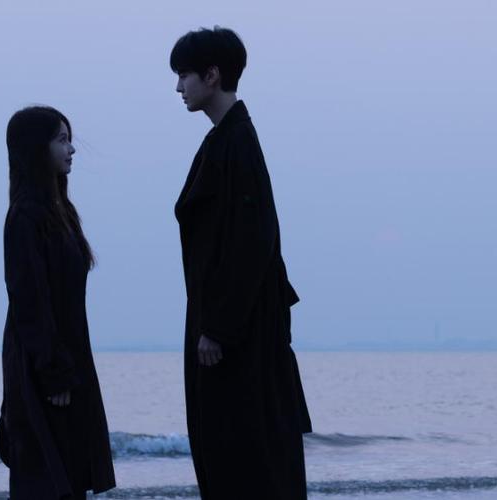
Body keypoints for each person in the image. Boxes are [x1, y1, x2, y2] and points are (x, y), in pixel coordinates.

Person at [171, 27, 313, 499]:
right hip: (230, 327)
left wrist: (219, 326)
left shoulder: (237, 142)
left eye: (184, 75)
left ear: (212, 75)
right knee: (233, 453)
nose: (178, 87)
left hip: (238, 336)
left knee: (243, 455)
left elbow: (254, 240)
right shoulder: (224, 140)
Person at [0, 106, 116, 499]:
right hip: (43, 365)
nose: (72, 149)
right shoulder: (24, 216)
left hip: (68, 356)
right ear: (37, 148)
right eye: (62, 140)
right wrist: (52, 371)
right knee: (46, 479)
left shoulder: (61, 212)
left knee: (70, 475)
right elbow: (28, 299)